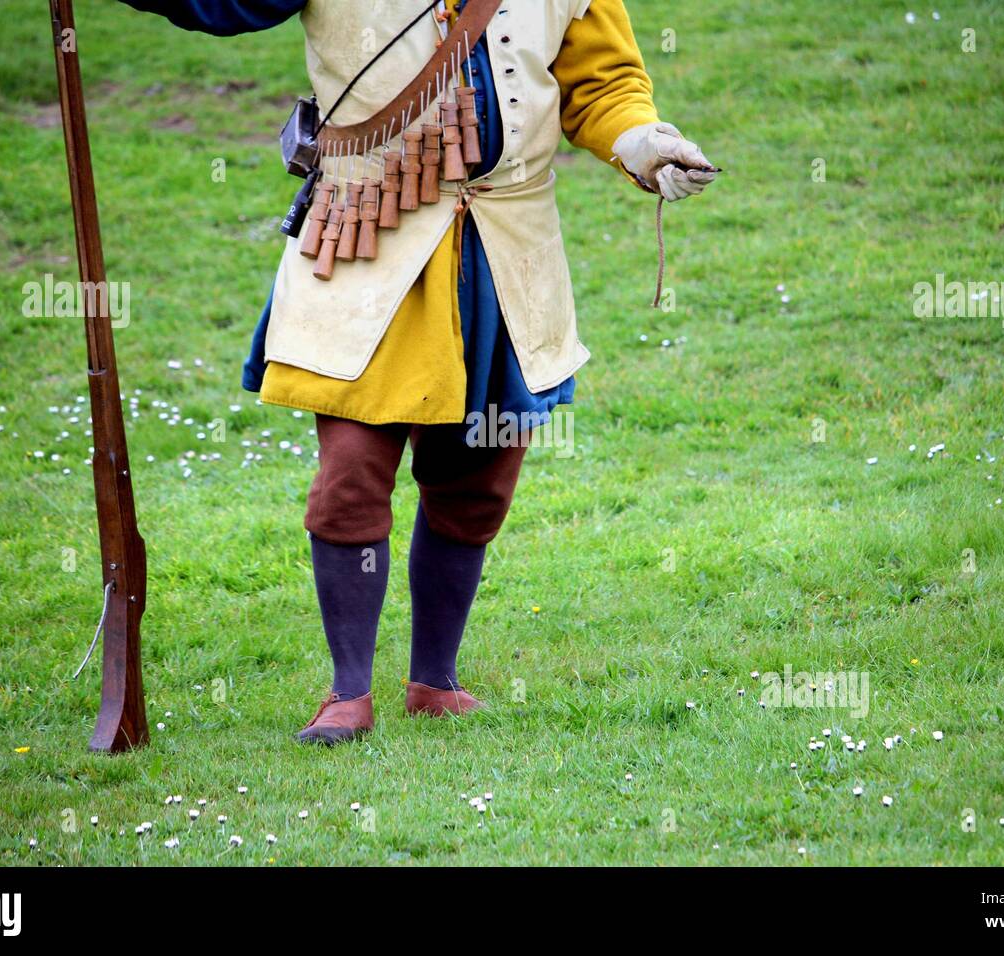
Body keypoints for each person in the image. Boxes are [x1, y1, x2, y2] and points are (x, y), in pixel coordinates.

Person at [118, 0, 716, 744]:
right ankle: (347, 694)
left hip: (504, 249)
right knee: (350, 477)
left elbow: (602, 83)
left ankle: (435, 680)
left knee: (477, 480)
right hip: (367, 238)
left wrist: (645, 144)